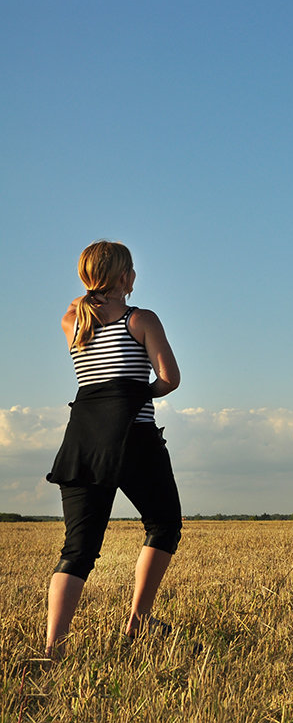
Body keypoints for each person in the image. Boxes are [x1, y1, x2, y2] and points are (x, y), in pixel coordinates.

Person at [44, 241, 182, 658]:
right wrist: (136, 394)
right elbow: (169, 378)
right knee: (163, 526)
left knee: (78, 550)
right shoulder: (140, 319)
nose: (136, 276)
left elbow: (80, 301)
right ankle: (139, 620)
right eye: (132, 270)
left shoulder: (73, 320)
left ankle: (54, 647)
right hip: (134, 438)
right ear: (124, 277)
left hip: (83, 441)